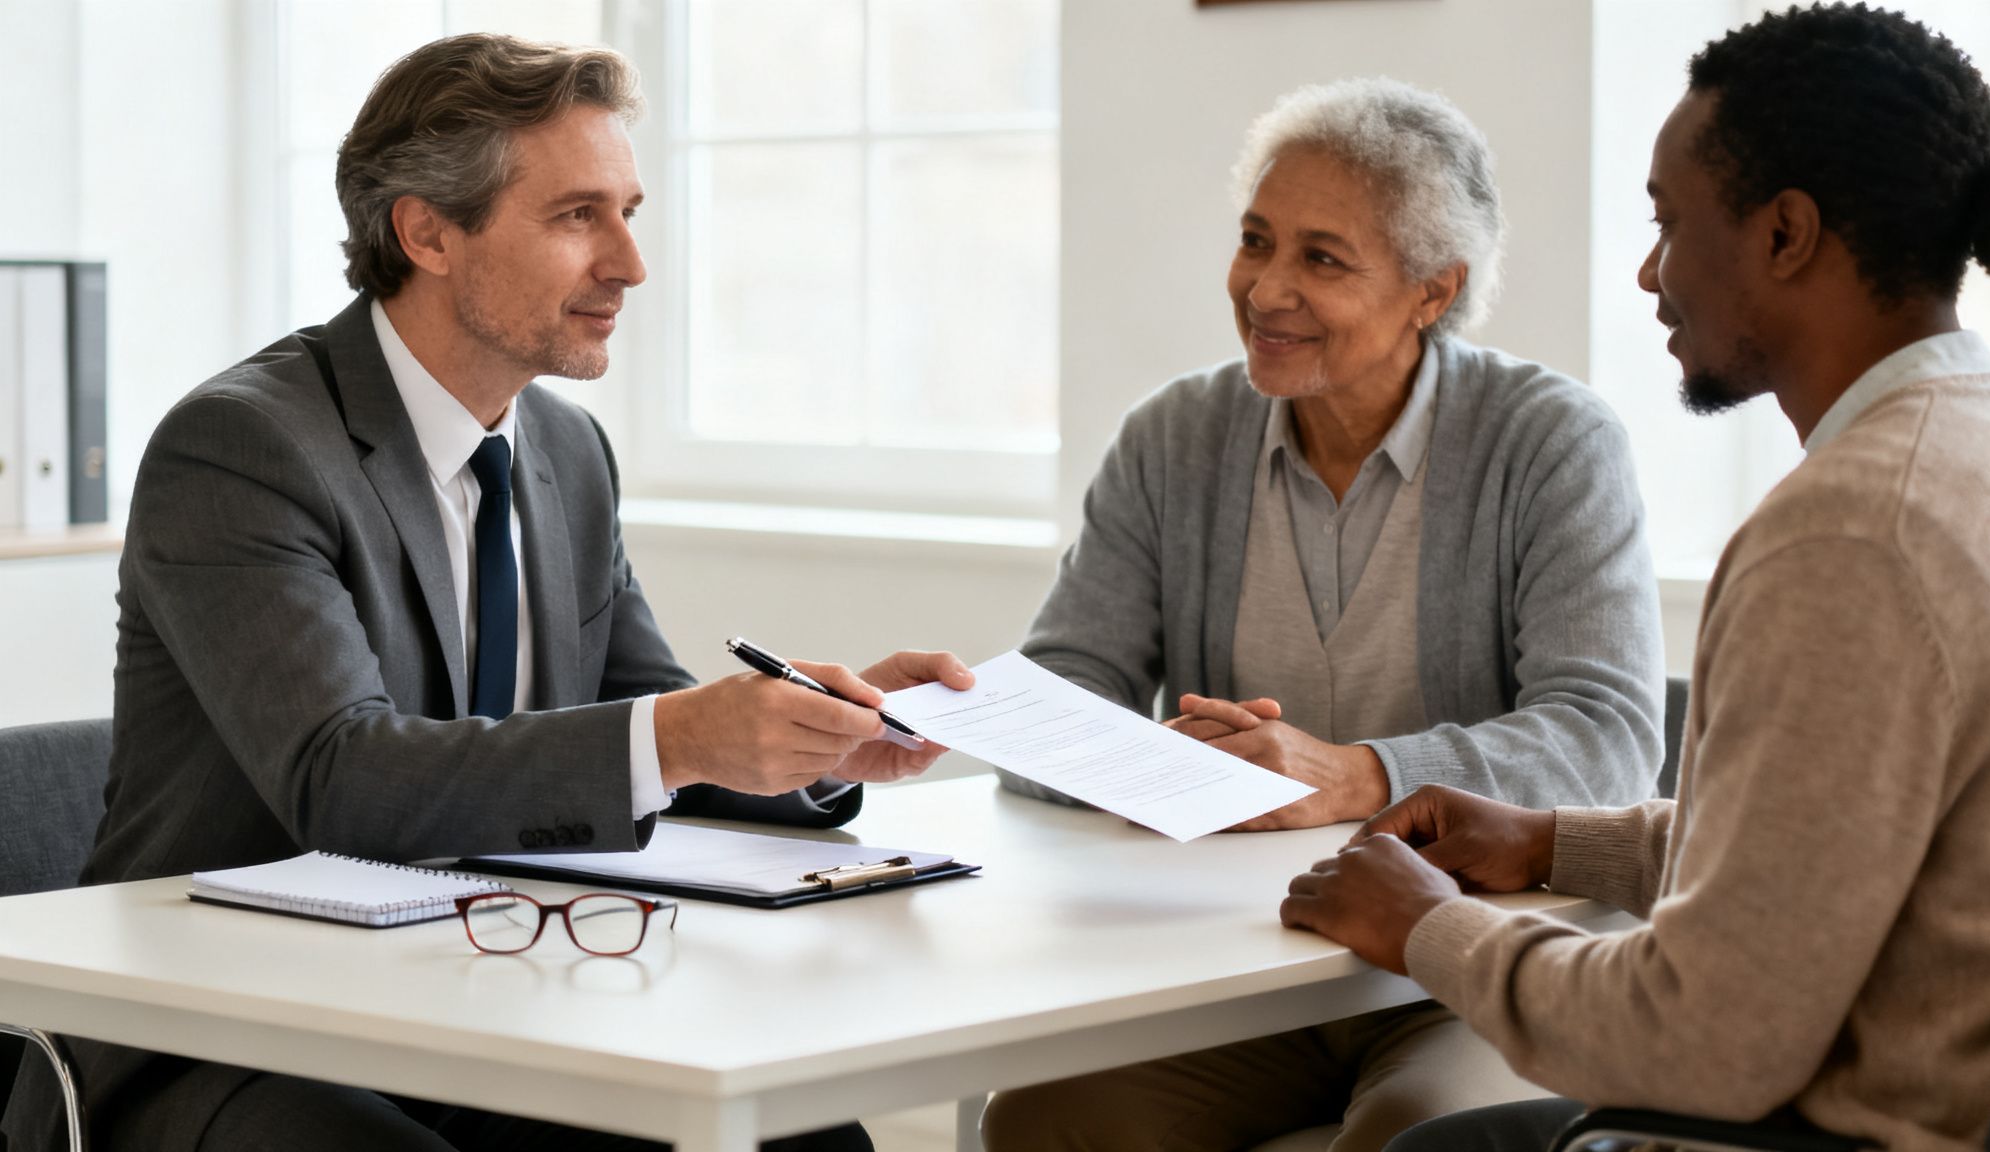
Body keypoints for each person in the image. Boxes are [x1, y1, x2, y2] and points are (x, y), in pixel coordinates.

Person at [0, 33, 972, 1152]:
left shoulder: (567, 454)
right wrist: (683, 734)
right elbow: (342, 779)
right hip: (228, 1038)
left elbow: (648, 723)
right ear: (427, 232)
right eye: (576, 217)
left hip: (488, 999)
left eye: (629, 211)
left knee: (807, 1139)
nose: (629, 264)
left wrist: (807, 738)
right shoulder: (243, 448)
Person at [1278, 7, 1990, 1151]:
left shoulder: (1846, 535)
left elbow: (1701, 1038)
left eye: (1667, 224)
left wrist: (1426, 926)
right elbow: (1826, 845)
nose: (1648, 274)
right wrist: (1552, 843)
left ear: (1784, 233)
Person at [983, 78, 1664, 1151]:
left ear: (1431, 292)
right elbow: (1065, 680)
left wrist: (1351, 776)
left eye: (1321, 258)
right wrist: (1152, 761)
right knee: (1043, 1124)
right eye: (1256, 241)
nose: (1264, 289)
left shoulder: (1550, 443)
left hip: (1472, 965)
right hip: (1245, 968)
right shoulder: (1174, 438)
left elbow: (1607, 743)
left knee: (1413, 1135)